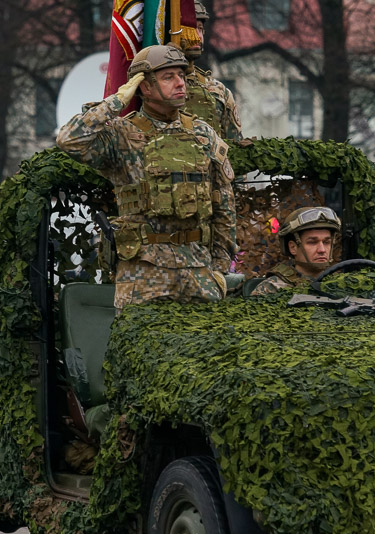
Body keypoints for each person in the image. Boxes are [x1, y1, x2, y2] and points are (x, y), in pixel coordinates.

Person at [56, 44, 237, 310]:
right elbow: (69, 140)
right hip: (143, 274)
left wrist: (220, 269)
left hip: (199, 271)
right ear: (145, 87)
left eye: (182, 76)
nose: (180, 83)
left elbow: (224, 204)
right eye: (168, 77)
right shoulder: (123, 135)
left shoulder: (203, 133)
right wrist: (116, 101)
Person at [180, 0, 243, 141]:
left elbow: (234, 146)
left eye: (200, 29)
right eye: (189, 29)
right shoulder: (148, 88)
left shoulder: (217, 91)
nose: (197, 36)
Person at [250, 206, 340, 295]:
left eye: (326, 242)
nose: (322, 250)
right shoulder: (272, 289)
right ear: (293, 248)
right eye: (312, 242)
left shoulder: (340, 284)